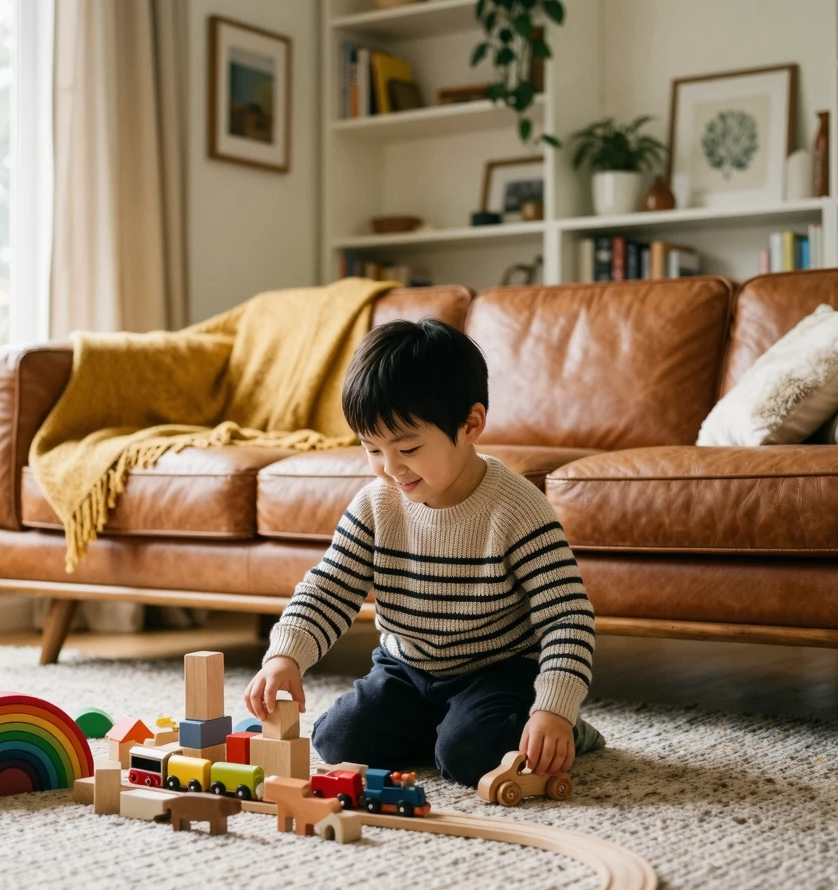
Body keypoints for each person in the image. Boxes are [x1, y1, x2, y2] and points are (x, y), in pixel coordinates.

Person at [243, 318, 603, 788]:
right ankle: (439, 727)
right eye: (372, 449)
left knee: (470, 755)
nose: (390, 468)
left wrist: (554, 707)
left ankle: (565, 729)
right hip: (405, 668)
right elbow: (329, 588)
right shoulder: (375, 504)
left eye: (408, 447)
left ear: (470, 424)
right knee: (339, 742)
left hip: (498, 671)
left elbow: (567, 617)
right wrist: (284, 657)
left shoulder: (518, 509)